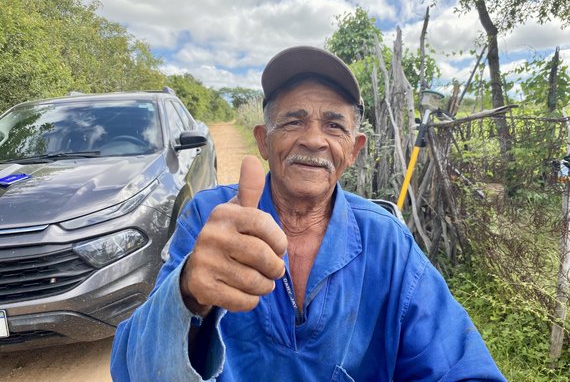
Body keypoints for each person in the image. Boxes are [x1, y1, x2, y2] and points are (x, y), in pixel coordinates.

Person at [110, 46, 506, 381]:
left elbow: (460, 365)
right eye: (294, 120)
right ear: (265, 142)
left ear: (353, 149)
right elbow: (130, 368)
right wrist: (188, 292)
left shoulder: (387, 242)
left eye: (334, 125)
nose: (314, 139)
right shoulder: (209, 217)